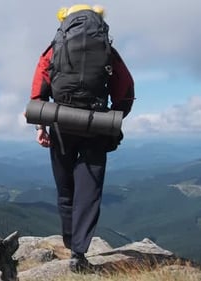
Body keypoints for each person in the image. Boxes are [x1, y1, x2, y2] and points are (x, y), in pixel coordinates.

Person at [29, 4, 134, 272]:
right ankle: (78, 253)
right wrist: (112, 118)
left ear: (65, 23)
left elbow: (39, 90)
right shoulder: (108, 51)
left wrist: (41, 126)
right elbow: (125, 89)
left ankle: (68, 241)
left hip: (61, 125)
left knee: (66, 189)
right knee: (89, 191)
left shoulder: (55, 48)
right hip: (96, 126)